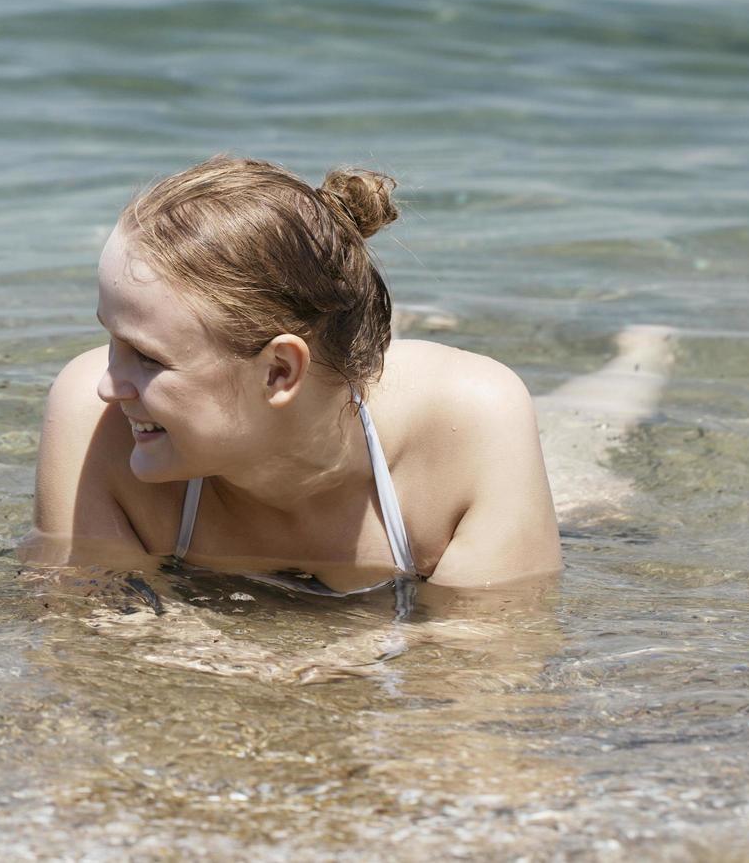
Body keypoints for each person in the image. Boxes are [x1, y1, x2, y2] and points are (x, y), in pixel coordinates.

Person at [30, 155, 566, 592]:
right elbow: (85, 636)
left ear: (279, 372)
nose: (108, 384)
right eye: (111, 340)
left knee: (590, 476)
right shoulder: (91, 416)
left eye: (148, 358)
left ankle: (643, 352)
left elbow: (492, 661)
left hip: (405, 429)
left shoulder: (471, 420)